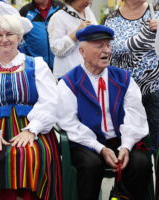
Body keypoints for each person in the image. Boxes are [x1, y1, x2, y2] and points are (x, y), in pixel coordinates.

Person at [0, 15, 62, 200]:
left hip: (32, 124)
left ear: (19, 37)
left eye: (9, 34)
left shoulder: (37, 65)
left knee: (31, 153)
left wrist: (32, 130)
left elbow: (50, 102)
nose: (4, 39)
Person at [57, 25, 152, 200]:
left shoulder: (123, 78)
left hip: (120, 139)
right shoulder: (69, 82)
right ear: (82, 51)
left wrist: (126, 145)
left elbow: (135, 114)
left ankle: (121, 197)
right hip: (86, 143)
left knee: (140, 163)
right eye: (99, 46)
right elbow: (69, 122)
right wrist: (100, 148)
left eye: (108, 45)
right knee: (90, 165)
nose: (106, 50)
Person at [103, 0, 159, 149]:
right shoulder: (111, 18)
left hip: (154, 88)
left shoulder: (156, 12)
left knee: (156, 142)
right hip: (122, 90)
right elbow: (112, 48)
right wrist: (145, 35)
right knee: (129, 143)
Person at [48, 0, 97, 79]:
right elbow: (56, 49)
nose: (90, 2)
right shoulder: (58, 17)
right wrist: (76, 33)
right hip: (69, 76)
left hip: (89, 74)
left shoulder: (88, 12)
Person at [19, 0, 63, 70]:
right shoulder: (24, 11)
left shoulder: (61, 7)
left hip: (60, 65)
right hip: (35, 67)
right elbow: (20, 38)